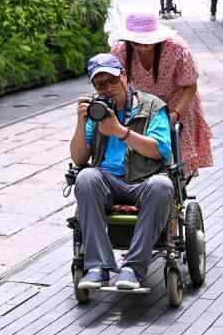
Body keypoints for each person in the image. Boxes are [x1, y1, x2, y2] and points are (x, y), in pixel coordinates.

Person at [70, 53, 174, 291]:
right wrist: (81, 121)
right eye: (100, 84)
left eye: (112, 81)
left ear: (124, 76)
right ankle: (98, 267)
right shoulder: (96, 110)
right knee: (86, 177)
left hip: (144, 180)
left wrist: (119, 131)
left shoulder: (152, 106)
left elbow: (161, 151)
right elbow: (78, 158)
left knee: (162, 186)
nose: (107, 88)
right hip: (107, 180)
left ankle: (132, 268)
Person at [110, 13, 213, 176]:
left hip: (176, 103)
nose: (142, 46)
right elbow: (117, 82)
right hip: (143, 106)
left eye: (147, 41)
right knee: (140, 149)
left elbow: (190, 86)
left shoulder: (176, 49)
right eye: (136, 41)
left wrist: (175, 115)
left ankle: (178, 185)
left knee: (176, 156)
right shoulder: (120, 51)